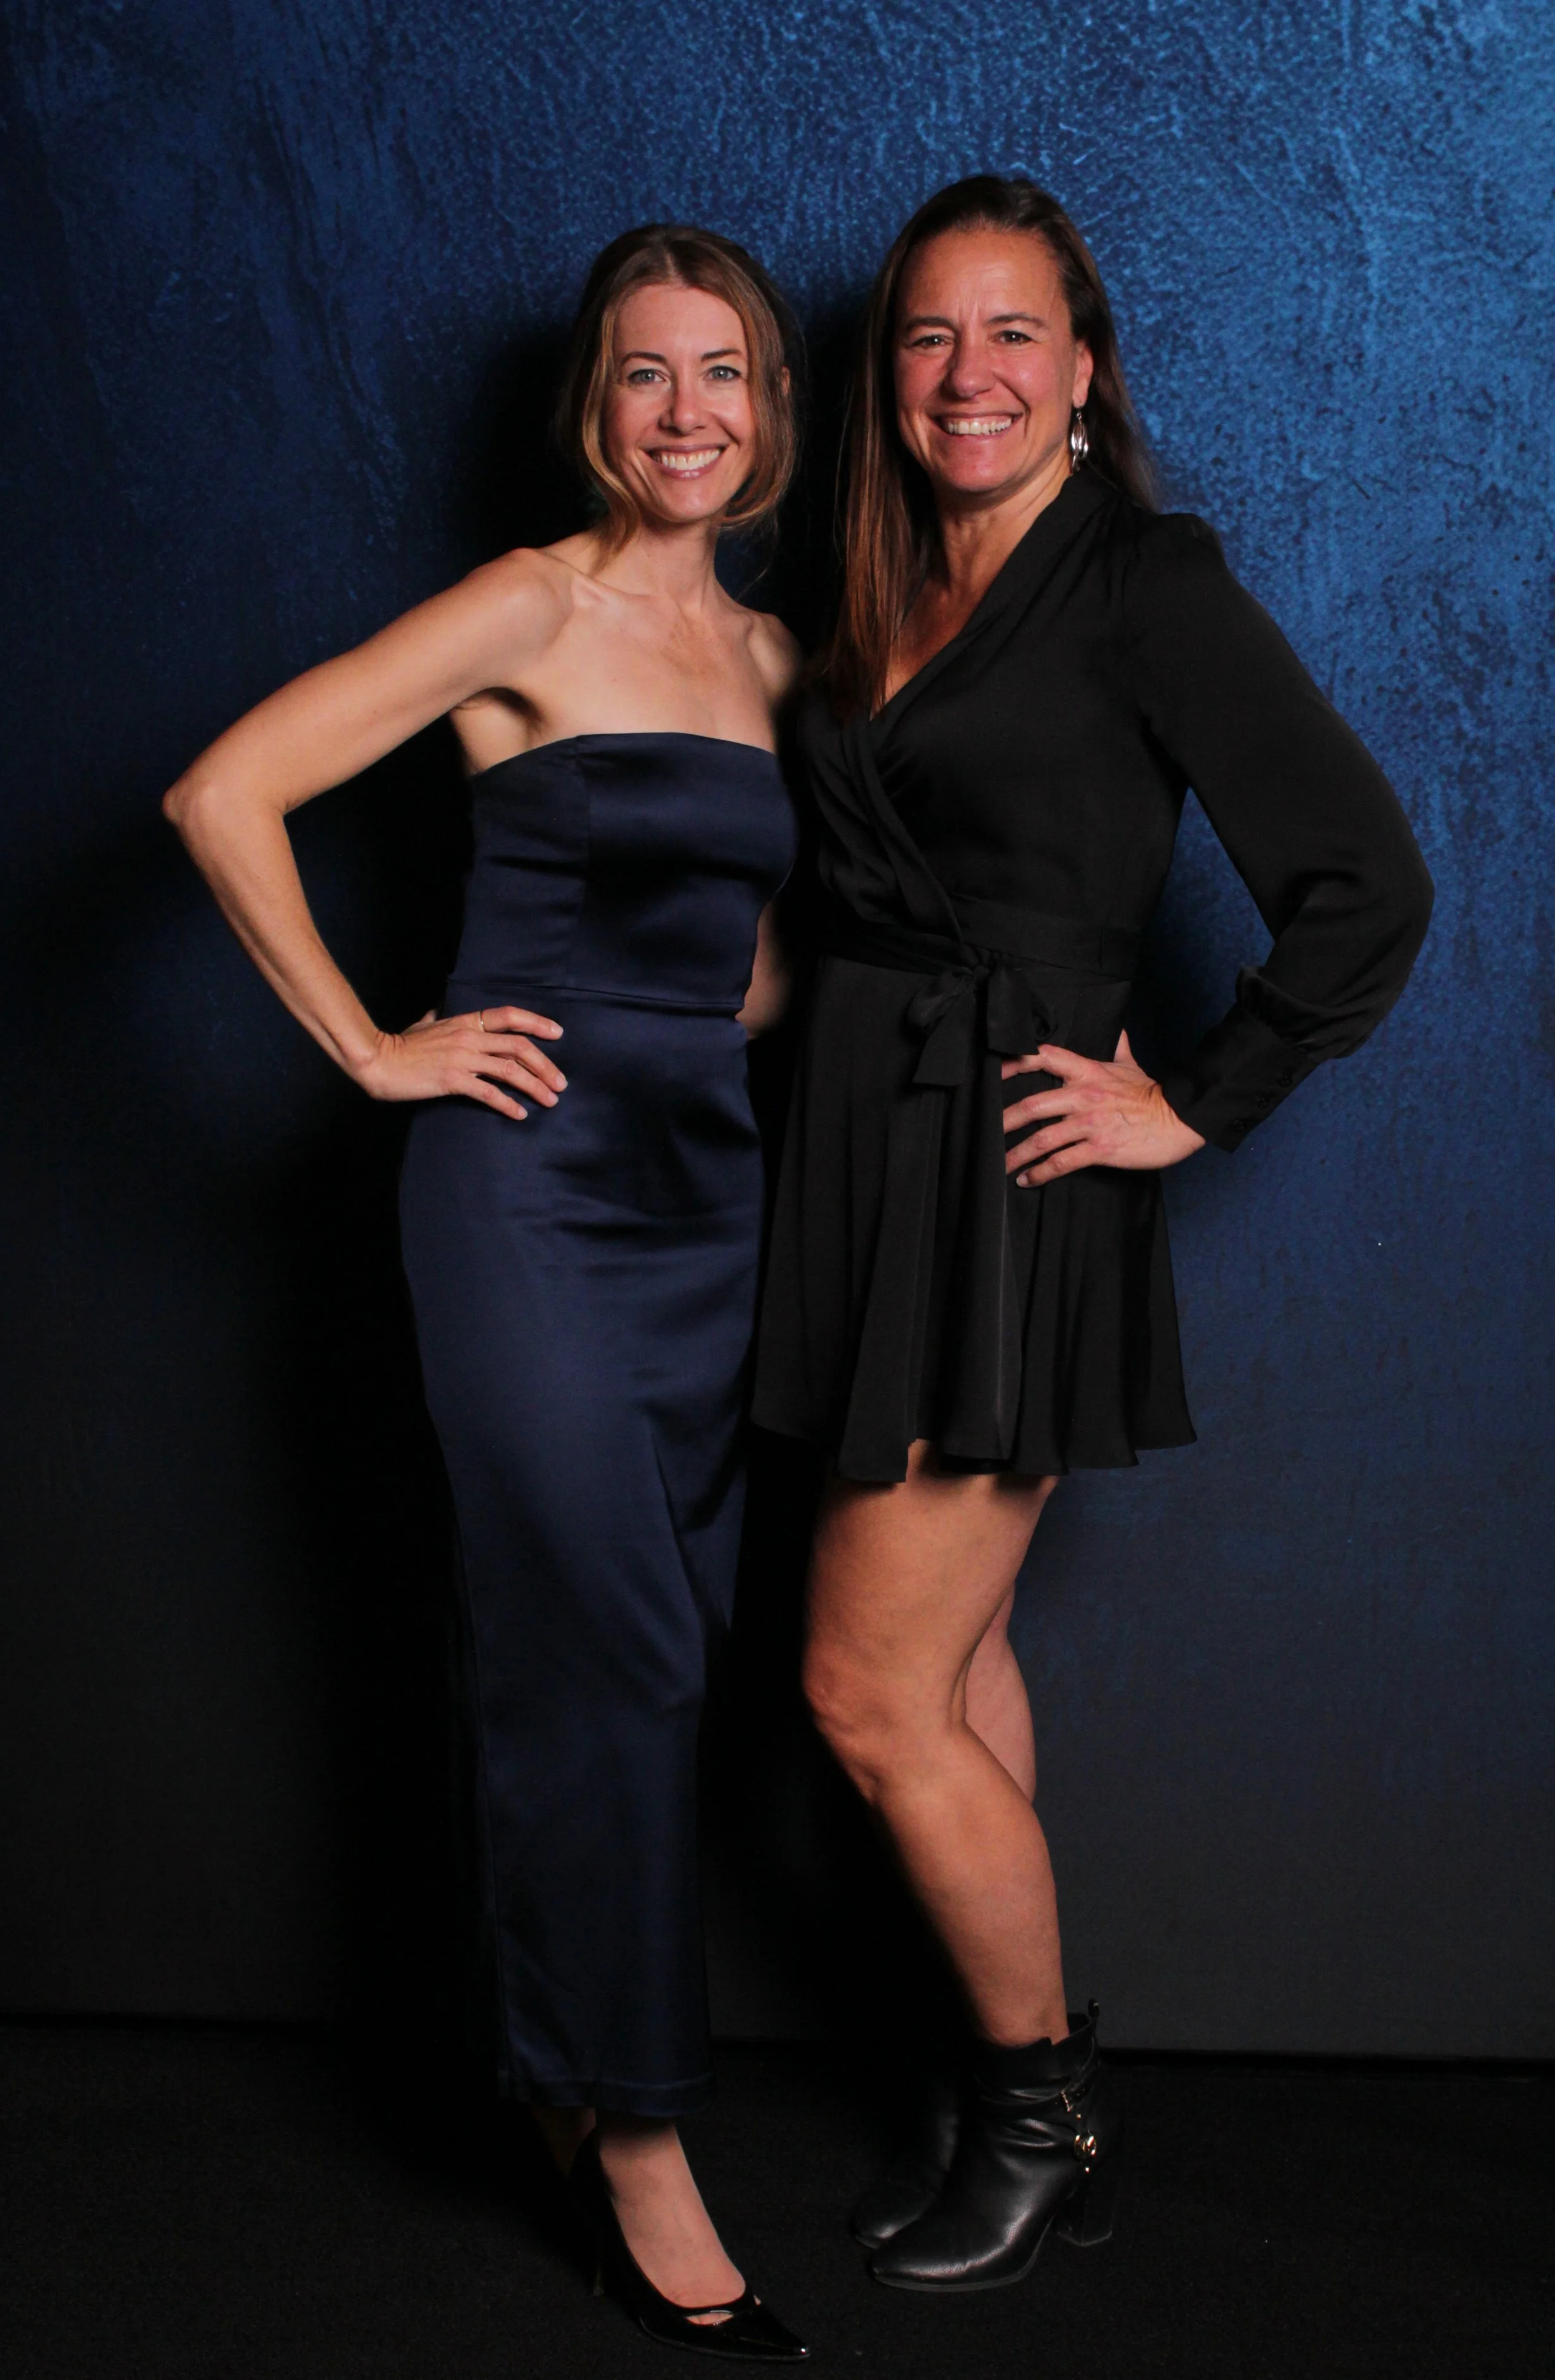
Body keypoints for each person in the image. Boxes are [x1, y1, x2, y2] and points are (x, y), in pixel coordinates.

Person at [753, 174, 1433, 2294]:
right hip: (861, 1151)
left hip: (1007, 1173)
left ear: (1083, 368)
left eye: (1013, 334)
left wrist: (1190, 1099)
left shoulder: (1144, 581)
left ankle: (1043, 2118)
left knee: (861, 1693)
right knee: (949, 1663)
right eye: (931, 339)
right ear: (894, 378)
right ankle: (1012, 2087)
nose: (969, 375)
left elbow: (1364, 882)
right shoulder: (868, 586)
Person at [164, 223, 809, 2363]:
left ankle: (547, 2059)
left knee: (637, 1650)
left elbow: (755, 951)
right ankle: (637, 2131)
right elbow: (222, 791)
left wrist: (719, 1024)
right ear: (593, 406)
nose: (686, 412)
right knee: (612, 1642)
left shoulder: (779, 665)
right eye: (646, 375)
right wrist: (373, 1046)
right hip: (518, 1189)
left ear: (768, 408)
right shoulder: (533, 602)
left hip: (703, 1204)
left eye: (721, 373)